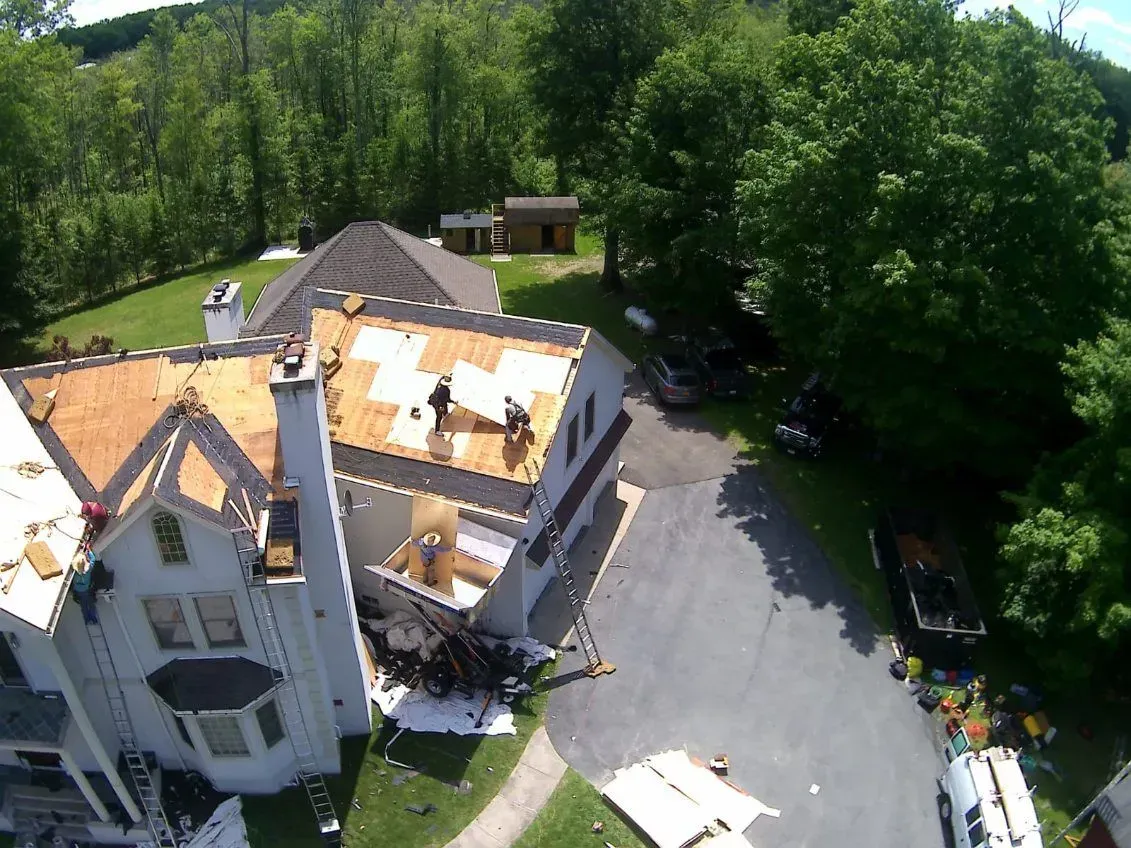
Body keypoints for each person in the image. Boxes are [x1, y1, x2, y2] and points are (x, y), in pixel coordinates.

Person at [72, 550, 98, 624]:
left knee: (83, 605)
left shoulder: (74, 572)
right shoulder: (88, 569)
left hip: (78, 590)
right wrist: (89, 550)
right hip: (86, 590)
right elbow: (93, 559)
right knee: (90, 604)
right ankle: (93, 619)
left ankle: (87, 620)